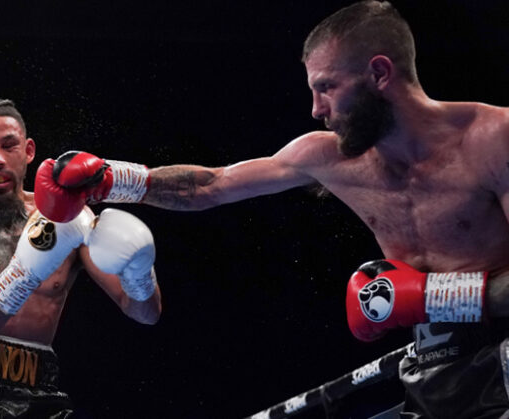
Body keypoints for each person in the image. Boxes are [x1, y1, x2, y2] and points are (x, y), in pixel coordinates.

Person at [34, 2, 509, 417]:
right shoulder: (330, 156)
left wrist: (429, 296)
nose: (316, 109)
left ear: (380, 74)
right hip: (433, 369)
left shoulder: (493, 139)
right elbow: (212, 186)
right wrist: (110, 180)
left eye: (327, 87)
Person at [0, 98, 162, 418]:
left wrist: (140, 271)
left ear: (28, 151)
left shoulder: (68, 218)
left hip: (37, 394)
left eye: (8, 145)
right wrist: (25, 271)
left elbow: (146, 313)